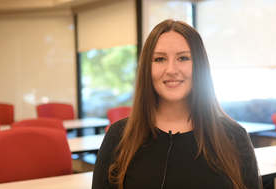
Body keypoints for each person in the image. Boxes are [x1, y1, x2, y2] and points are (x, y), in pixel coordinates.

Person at [92, 19, 262, 189]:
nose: (172, 70)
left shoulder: (234, 137)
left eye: (183, 58)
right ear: (147, 69)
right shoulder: (118, 137)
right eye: (159, 59)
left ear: (199, 66)